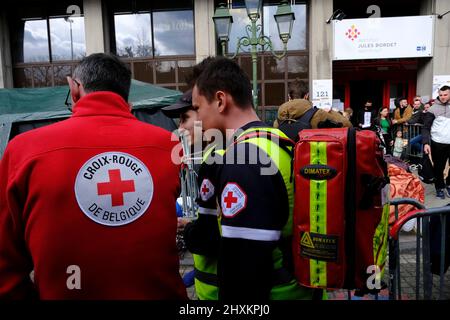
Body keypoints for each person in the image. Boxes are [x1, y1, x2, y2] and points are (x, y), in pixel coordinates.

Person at [0, 53, 187, 300]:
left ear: (74, 88)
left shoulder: (23, 149)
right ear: (125, 93)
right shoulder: (169, 145)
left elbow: (5, 267)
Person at [192, 57, 318, 300]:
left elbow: (244, 275)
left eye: (198, 108)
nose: (196, 120)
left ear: (220, 100)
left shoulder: (244, 158)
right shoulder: (275, 139)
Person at [274, 79, 352, 142]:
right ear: (306, 96)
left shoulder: (278, 122)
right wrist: (331, 112)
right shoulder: (319, 115)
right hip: (310, 160)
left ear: (289, 97)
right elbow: (348, 127)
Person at [423, 85, 450, 199]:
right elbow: (426, 127)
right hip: (437, 143)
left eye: (445, 95)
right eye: (441, 95)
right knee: (439, 167)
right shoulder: (432, 109)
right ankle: (439, 188)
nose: (443, 97)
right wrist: (426, 143)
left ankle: (448, 185)